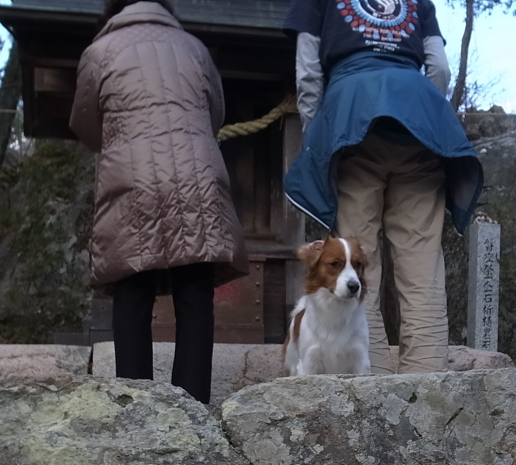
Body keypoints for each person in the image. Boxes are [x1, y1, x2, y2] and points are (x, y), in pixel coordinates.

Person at [283, 0, 484, 374]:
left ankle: (372, 390)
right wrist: (418, 112)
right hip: (418, 121)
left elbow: (308, 72)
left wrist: (319, 136)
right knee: (422, 269)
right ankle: (427, 391)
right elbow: (438, 67)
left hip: (352, 120)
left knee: (355, 267)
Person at [69, 0, 248, 403]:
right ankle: (193, 409)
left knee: (133, 288)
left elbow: (83, 122)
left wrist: (118, 142)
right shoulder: (194, 47)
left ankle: (137, 409)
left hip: (131, 178)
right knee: (195, 292)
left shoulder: (99, 51)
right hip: (196, 176)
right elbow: (214, 113)